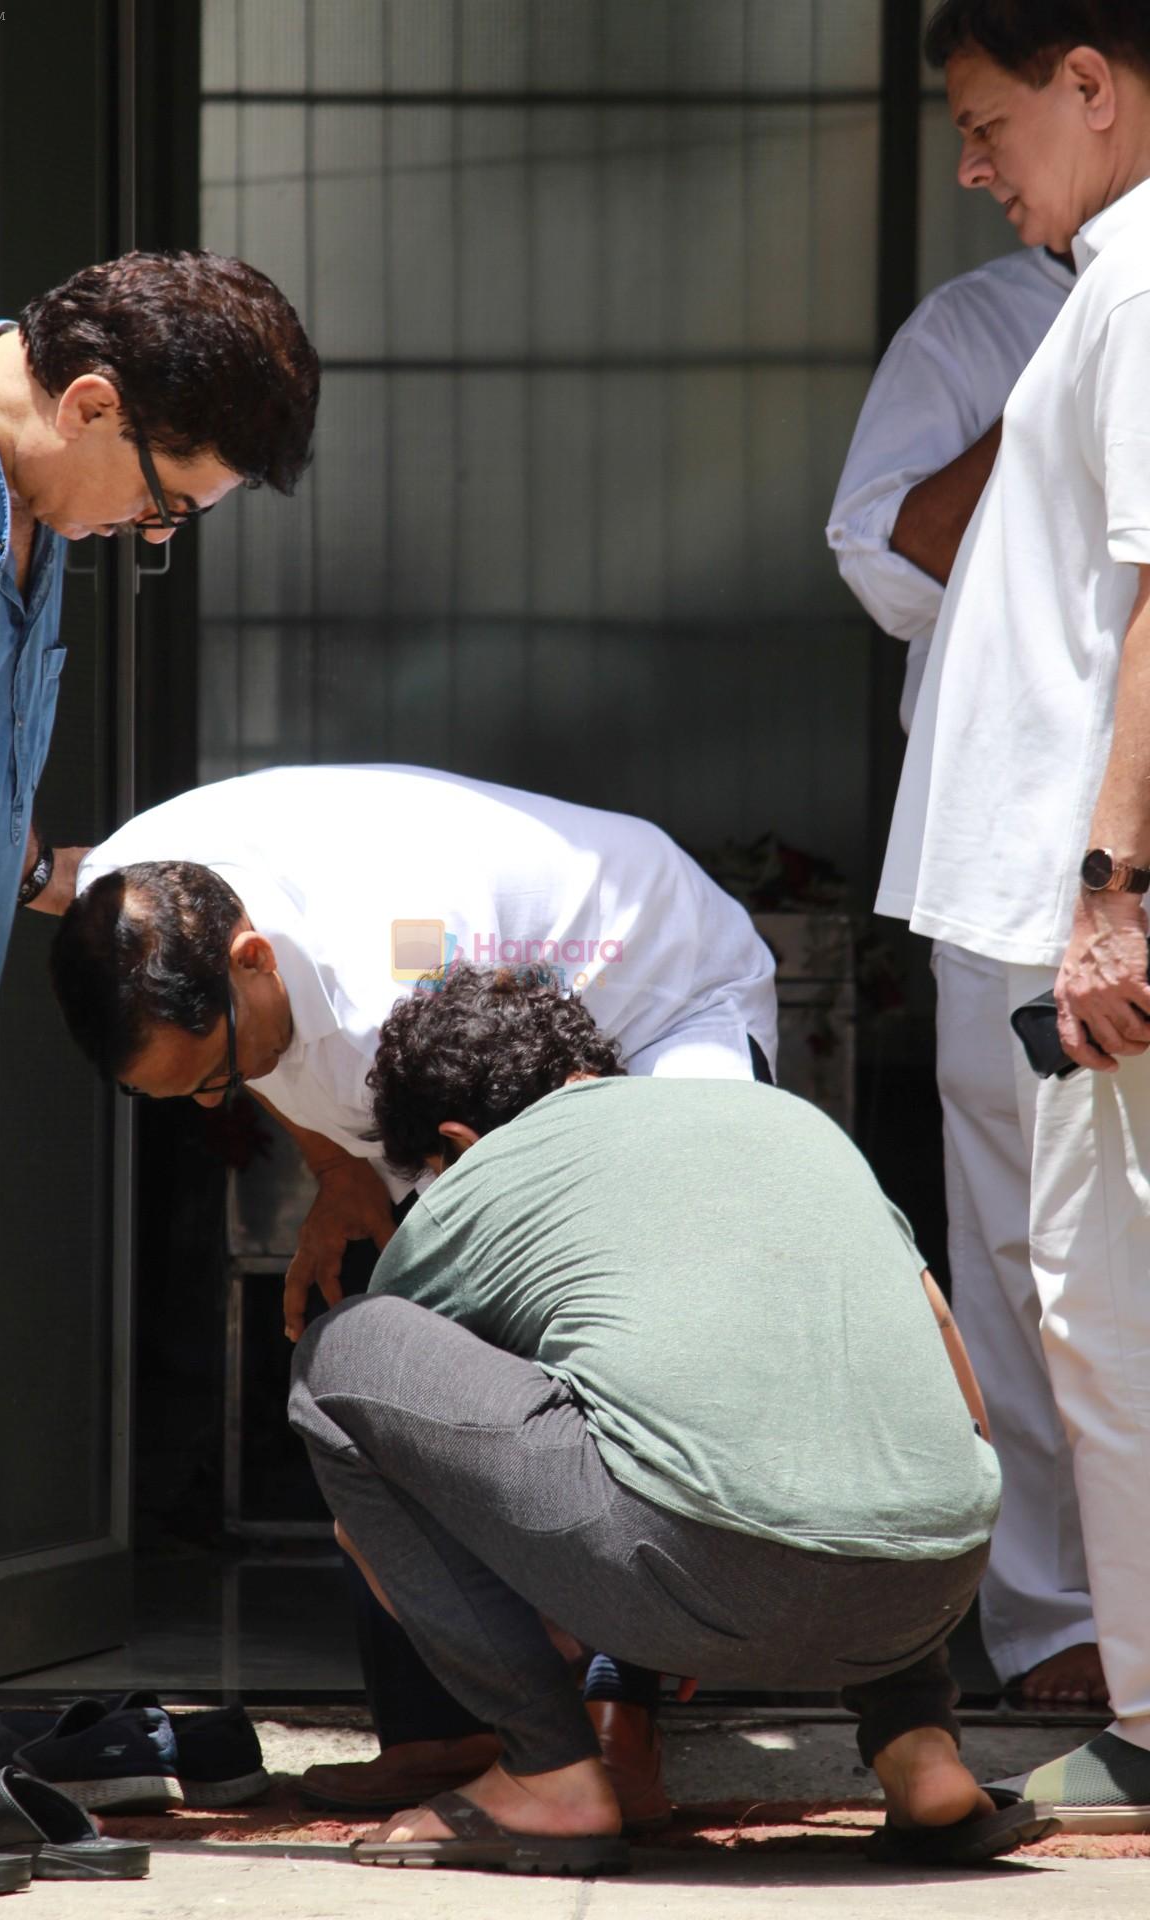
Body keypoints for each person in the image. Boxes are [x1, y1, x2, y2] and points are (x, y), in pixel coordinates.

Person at [49, 761, 779, 1825]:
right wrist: (339, 1172)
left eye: (212, 1075)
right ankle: (441, 1728)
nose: (215, 1100)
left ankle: (614, 1722)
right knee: (376, 1338)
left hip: (657, 994)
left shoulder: (384, 982)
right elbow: (262, 1071)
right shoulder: (127, 892)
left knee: (596, 1339)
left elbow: (514, 1222)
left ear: (250, 960)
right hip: (468, 1028)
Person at [0, 249, 318, 1806]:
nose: (153, 529)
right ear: (91, 400)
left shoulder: (32, 487)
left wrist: (80, 880)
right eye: (170, 499)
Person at [283, 965, 1040, 1874]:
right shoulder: (791, 1122)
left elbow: (397, 1463)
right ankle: (923, 1753)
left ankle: (549, 1773)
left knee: (338, 1356)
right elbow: (943, 1349)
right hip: (933, 1581)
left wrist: (608, 1595)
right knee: (837, 1396)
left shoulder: (487, 1174)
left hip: (687, 1572)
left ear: (454, 1138)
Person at [878, 0, 1150, 1827]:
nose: (975, 167)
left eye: (990, 123)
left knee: (1110, 1314)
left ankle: (1143, 1700)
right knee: (1078, 1311)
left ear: (1091, 84)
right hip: (1027, 897)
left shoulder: (1138, 285)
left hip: (1083, 905)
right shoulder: (1110, 278)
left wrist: (1116, 886)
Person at [827, 249, 1102, 1708]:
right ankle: (1058, 1621)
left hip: (1110, 842)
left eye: (992, 127)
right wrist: (1053, 391)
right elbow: (883, 556)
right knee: (1019, 1251)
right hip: (1010, 856)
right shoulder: (983, 326)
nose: (980, 165)